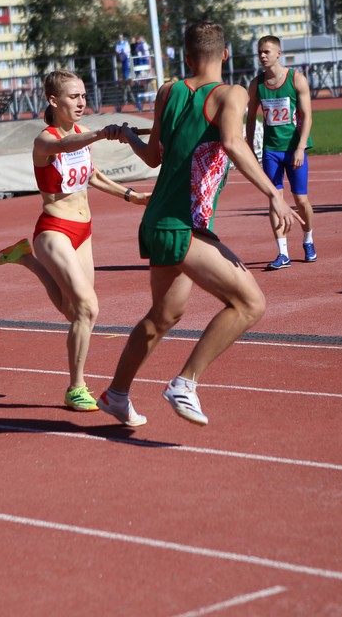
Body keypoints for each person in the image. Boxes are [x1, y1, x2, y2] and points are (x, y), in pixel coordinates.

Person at [97, 22, 302, 428]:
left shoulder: (168, 91)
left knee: (165, 315)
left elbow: (153, 157)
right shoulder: (231, 93)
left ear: (187, 57)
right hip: (183, 224)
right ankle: (184, 383)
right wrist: (274, 194)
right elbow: (232, 142)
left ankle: (116, 394)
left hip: (158, 220)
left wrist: (128, 136)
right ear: (225, 55)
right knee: (250, 304)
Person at [0, 71, 150, 411]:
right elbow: (65, 146)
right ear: (53, 101)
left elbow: (92, 175)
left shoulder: (81, 133)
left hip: (84, 231)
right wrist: (102, 133)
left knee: (74, 311)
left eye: (83, 95)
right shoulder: (45, 141)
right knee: (88, 308)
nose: (81, 102)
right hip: (54, 230)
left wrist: (132, 196)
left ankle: (26, 259)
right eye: (73, 96)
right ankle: (76, 388)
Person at [246, 34, 317, 269]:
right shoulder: (256, 84)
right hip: (271, 151)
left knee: (301, 200)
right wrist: (249, 146)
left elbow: (307, 117)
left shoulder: (296, 79)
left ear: (278, 53)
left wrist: (301, 147)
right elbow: (250, 117)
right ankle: (283, 252)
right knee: (274, 199)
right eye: (260, 52)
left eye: (267, 51)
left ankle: (308, 239)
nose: (262, 56)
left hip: (293, 149)